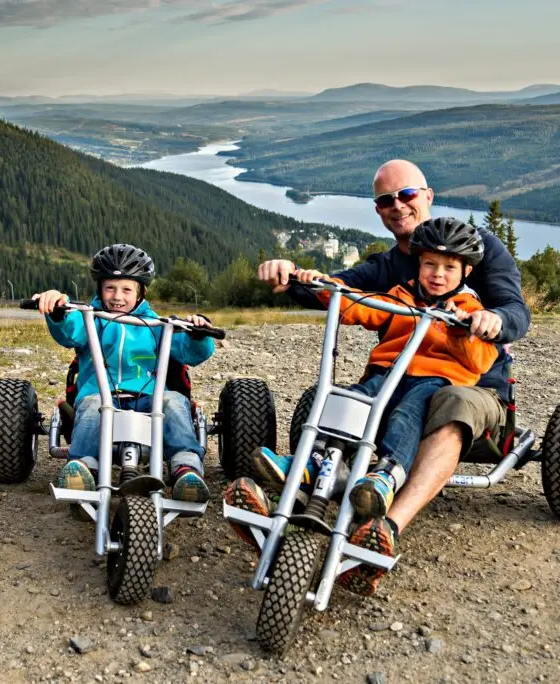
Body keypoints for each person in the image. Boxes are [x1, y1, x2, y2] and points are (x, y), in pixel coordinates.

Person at [224, 159, 531, 595]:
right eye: (386, 200)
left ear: (427, 195)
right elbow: (348, 296)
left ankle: (385, 524)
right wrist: (297, 278)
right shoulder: (392, 277)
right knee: (342, 399)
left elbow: (514, 312)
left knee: (435, 406)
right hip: (391, 374)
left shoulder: (476, 256)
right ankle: (294, 493)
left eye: (406, 195)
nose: (398, 206)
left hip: (466, 383)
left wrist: (490, 321)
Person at [252, 218, 498, 593]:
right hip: (386, 373)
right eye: (430, 264)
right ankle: (312, 463)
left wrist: (467, 328)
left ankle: (386, 475)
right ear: (418, 264)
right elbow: (360, 306)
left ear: (466, 271)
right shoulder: (401, 296)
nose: (437, 274)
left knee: (407, 411)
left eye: (449, 267)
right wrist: (322, 284)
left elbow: (480, 362)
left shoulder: (469, 308)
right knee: (349, 399)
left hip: (434, 380)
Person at [33, 243, 216, 503]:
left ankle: (186, 469)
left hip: (150, 400)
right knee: (92, 404)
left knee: (174, 402)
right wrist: (57, 309)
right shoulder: (90, 320)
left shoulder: (158, 326)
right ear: (99, 289)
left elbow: (191, 353)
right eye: (110, 288)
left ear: (141, 292)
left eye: (127, 289)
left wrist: (198, 333)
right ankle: (83, 468)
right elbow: (69, 331)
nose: (117, 296)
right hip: (102, 396)